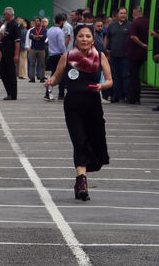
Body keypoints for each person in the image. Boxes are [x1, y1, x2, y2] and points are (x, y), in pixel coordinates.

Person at [44, 25, 113, 201]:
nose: (84, 39)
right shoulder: (67, 57)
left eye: (87, 36)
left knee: (96, 144)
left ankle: (85, 172)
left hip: (93, 105)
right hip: (73, 105)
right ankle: (81, 181)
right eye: (81, 36)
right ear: (76, 39)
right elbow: (58, 77)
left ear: (92, 39)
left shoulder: (100, 56)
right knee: (79, 141)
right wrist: (50, 81)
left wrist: (101, 86)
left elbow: (110, 81)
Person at [105, 7, 130, 102]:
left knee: (125, 76)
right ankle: (115, 96)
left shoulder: (130, 25)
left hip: (126, 56)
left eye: (124, 13)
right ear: (118, 15)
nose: (123, 15)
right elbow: (107, 38)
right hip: (113, 56)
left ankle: (126, 96)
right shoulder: (112, 25)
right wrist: (105, 49)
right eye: (121, 13)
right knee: (114, 76)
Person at [126, 6, 150, 105]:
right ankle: (137, 97)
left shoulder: (135, 23)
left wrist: (142, 45)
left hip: (134, 54)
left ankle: (134, 98)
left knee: (133, 77)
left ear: (133, 13)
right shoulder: (148, 21)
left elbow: (133, 36)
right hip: (142, 55)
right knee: (136, 76)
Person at [0, 7, 21, 100]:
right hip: (4, 52)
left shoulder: (14, 24)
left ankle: (13, 94)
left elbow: (17, 41)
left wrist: (16, 54)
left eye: (5, 14)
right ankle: (9, 92)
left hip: (11, 52)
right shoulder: (7, 24)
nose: (3, 15)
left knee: (11, 73)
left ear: (9, 14)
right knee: (2, 72)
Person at [45, 14, 68, 100]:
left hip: (51, 54)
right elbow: (61, 45)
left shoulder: (50, 30)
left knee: (53, 74)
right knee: (61, 75)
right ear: (61, 21)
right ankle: (61, 94)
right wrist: (65, 53)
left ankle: (48, 92)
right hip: (59, 55)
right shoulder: (59, 31)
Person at [28, 16, 47, 82]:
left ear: (40, 22)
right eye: (35, 21)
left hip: (41, 49)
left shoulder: (44, 30)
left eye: (37, 21)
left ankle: (42, 77)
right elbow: (30, 36)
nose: (36, 22)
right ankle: (32, 78)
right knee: (32, 64)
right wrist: (39, 36)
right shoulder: (32, 30)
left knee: (42, 64)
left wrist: (35, 36)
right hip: (33, 48)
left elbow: (44, 37)